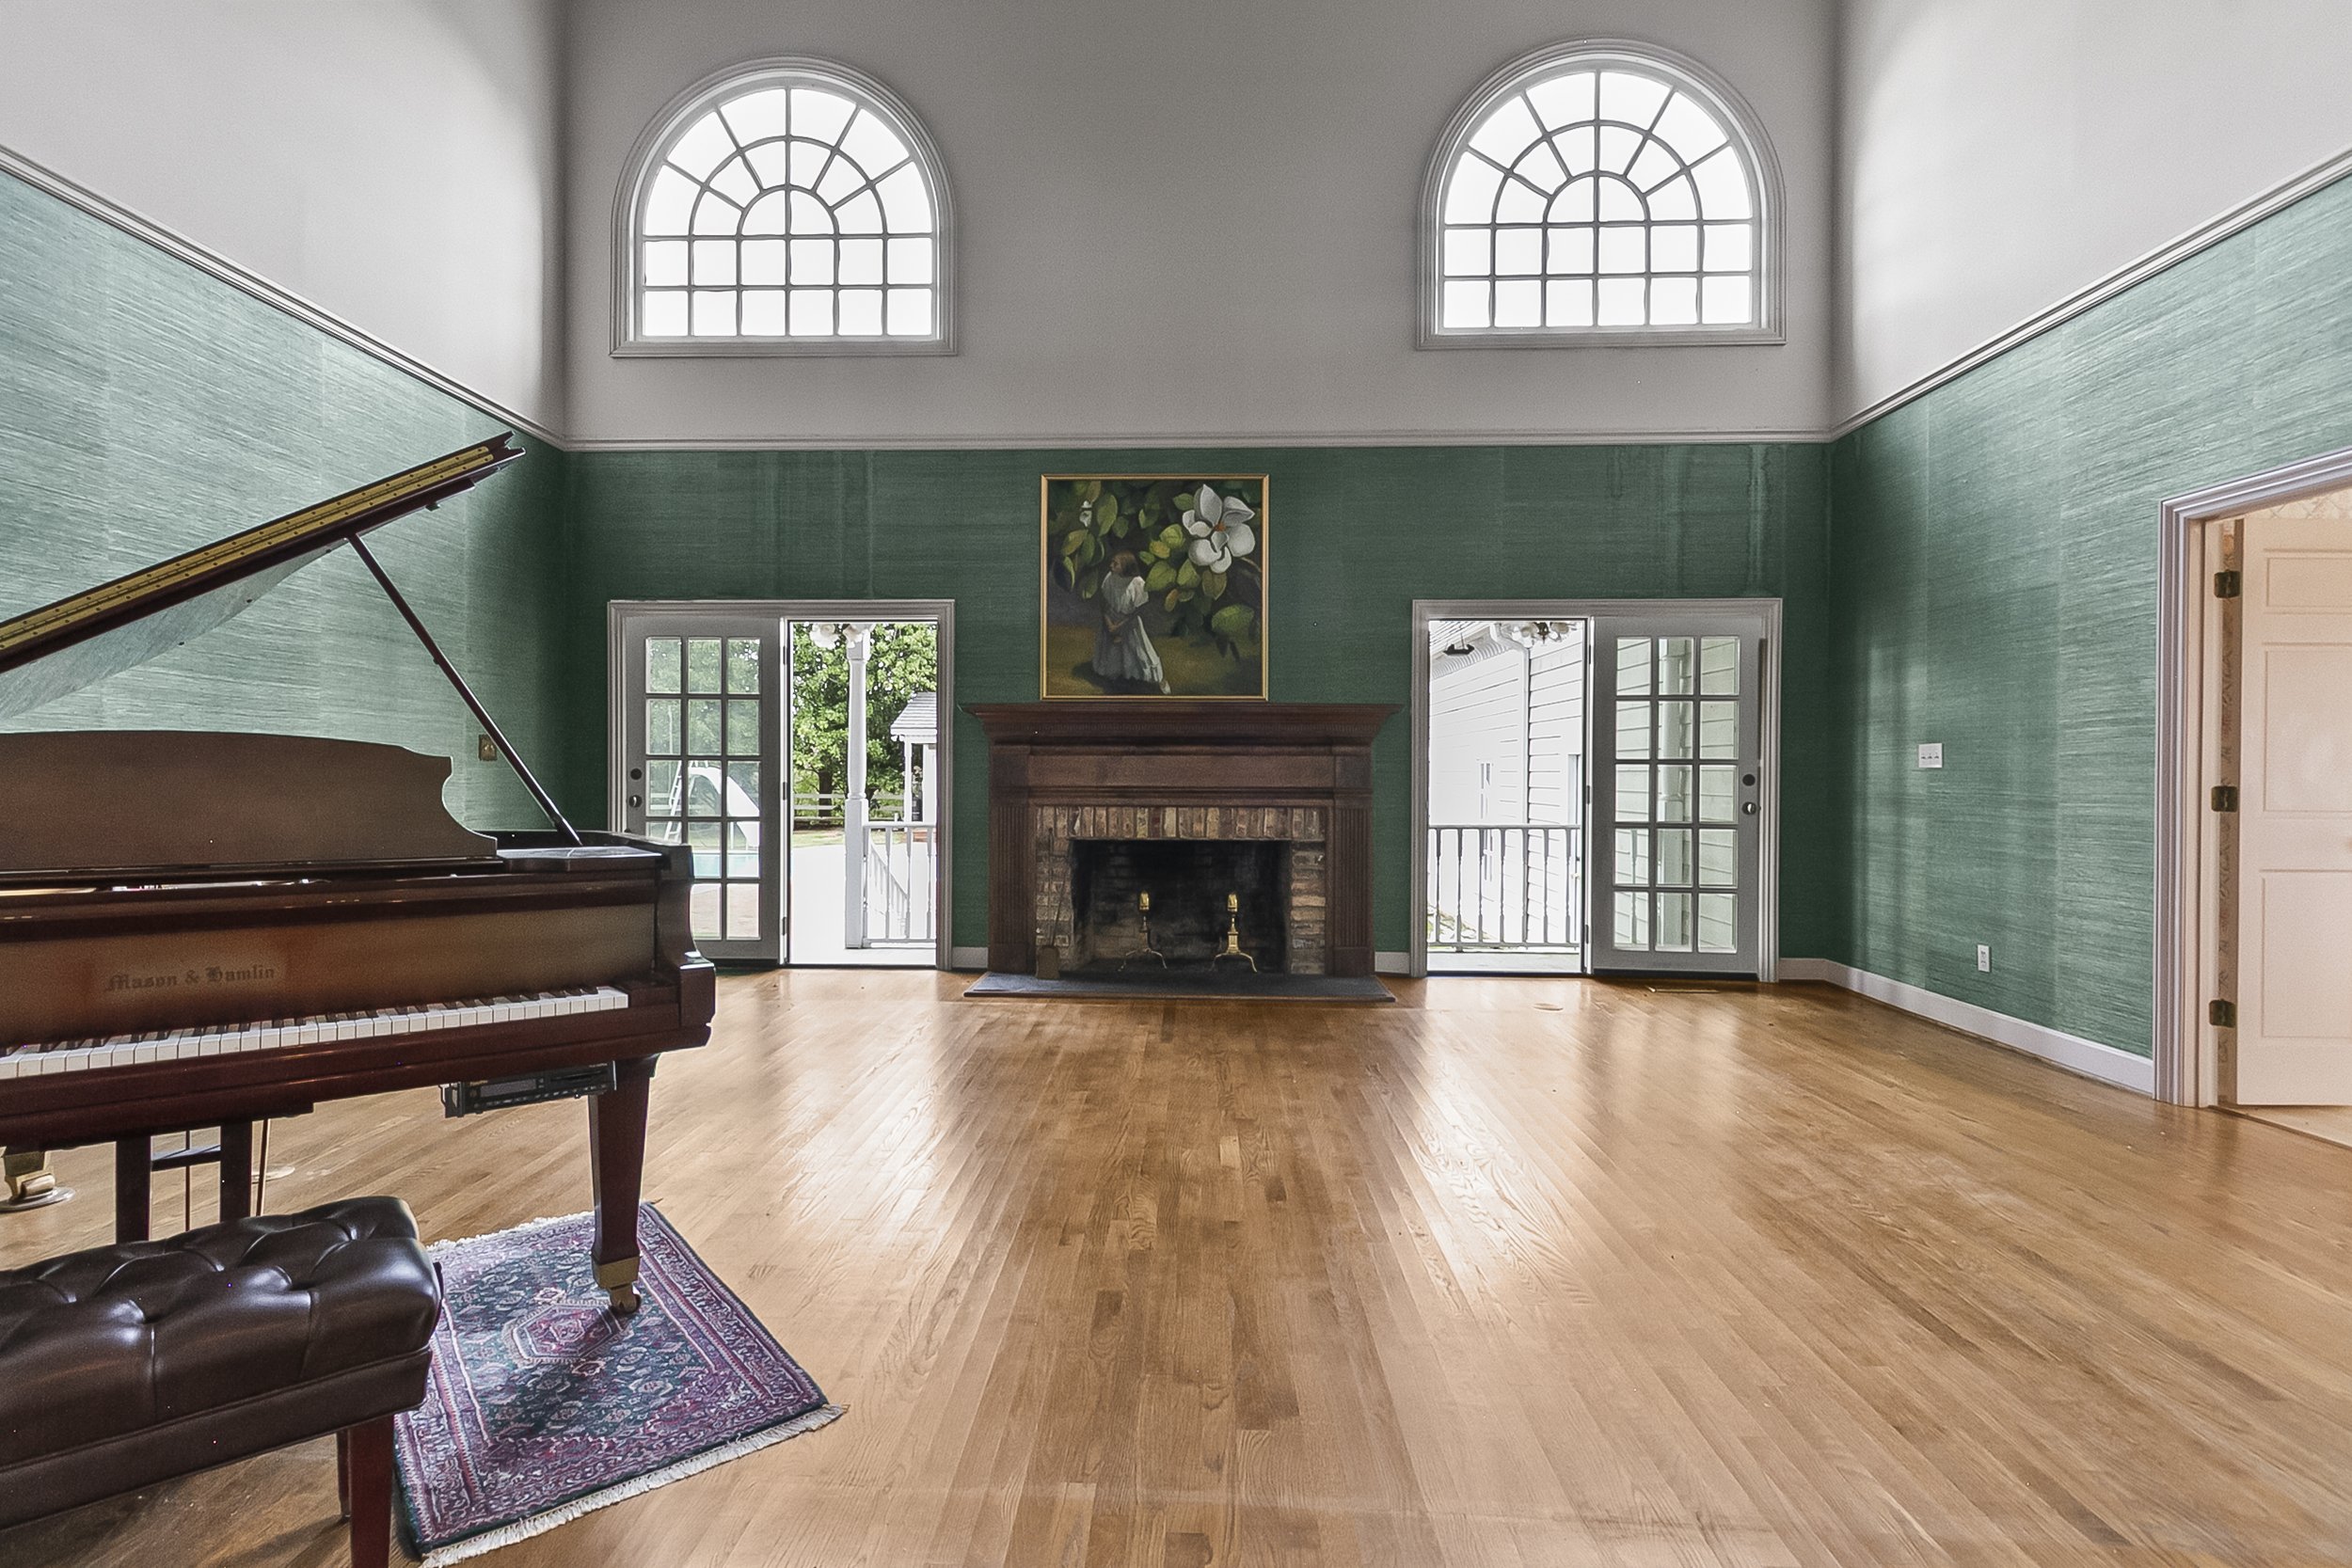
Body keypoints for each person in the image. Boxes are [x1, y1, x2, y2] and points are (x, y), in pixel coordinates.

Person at [1094, 552, 1169, 693]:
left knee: (1141, 652)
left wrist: (1119, 626)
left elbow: (1137, 611)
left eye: (1115, 564)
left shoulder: (1138, 583)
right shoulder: (1110, 578)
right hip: (1112, 619)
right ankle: (1119, 680)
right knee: (1114, 653)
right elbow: (1104, 604)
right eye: (1112, 562)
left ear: (1126, 566)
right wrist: (1109, 624)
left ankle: (1158, 680)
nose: (1111, 566)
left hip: (1129, 622)